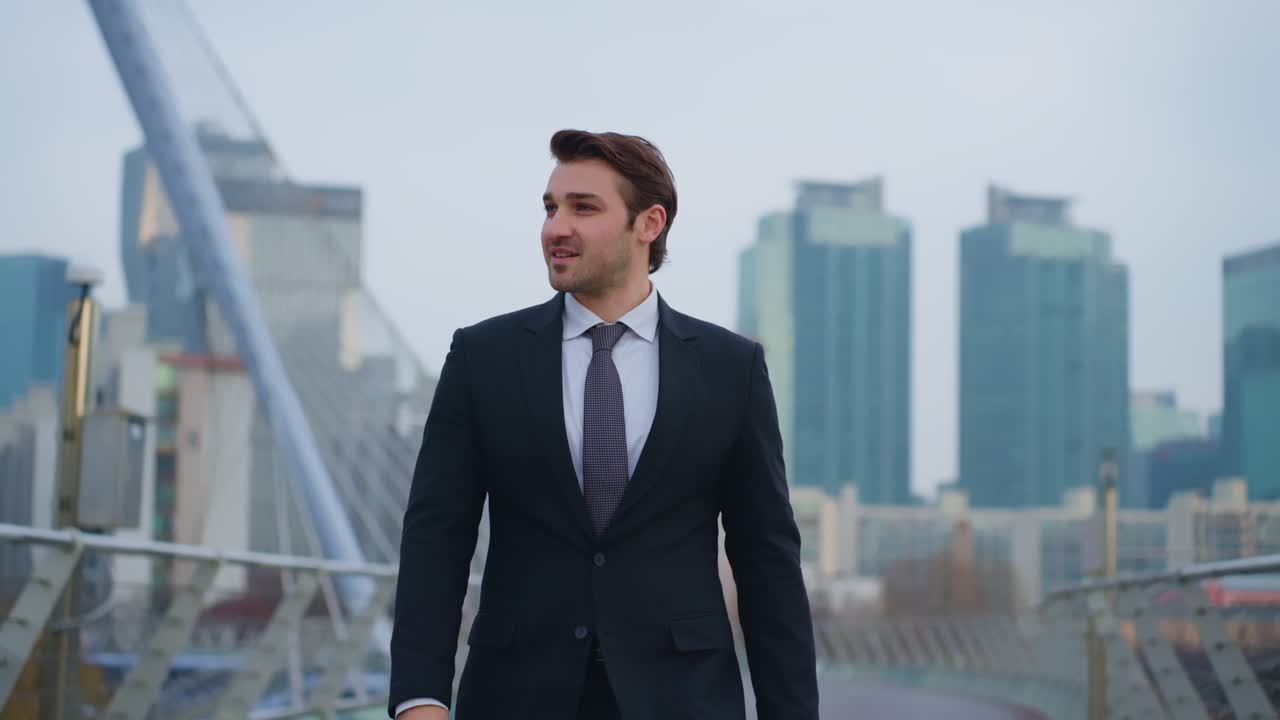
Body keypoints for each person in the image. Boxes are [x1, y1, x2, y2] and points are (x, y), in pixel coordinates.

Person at [389, 129, 818, 719]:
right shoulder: (483, 357)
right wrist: (419, 698)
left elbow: (766, 558)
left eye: (582, 207)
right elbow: (435, 539)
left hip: (684, 700)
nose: (554, 228)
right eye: (550, 207)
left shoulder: (730, 369)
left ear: (649, 224)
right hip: (513, 697)